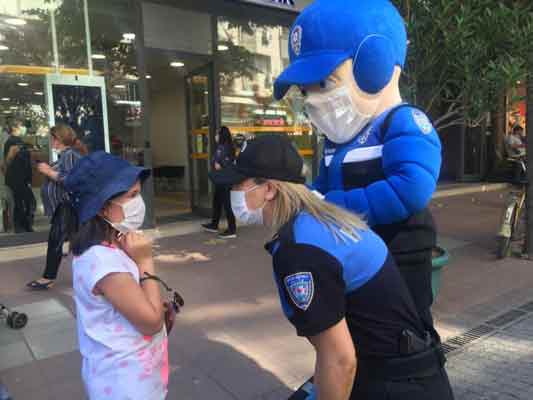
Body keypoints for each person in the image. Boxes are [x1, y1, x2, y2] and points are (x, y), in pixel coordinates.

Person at [210, 135, 454, 400]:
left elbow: (339, 360)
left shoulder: (299, 251)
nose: (232, 192)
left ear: (269, 189)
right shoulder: (320, 220)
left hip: (393, 384)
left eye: (238, 184)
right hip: (410, 372)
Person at [273, 0, 442, 342]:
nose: (313, 99)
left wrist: (333, 206)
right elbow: (321, 184)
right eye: (306, 90)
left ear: (374, 61)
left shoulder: (403, 123)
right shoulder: (337, 139)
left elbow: (409, 189)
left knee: (404, 329)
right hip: (355, 255)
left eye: (325, 83)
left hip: (399, 252)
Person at [64, 151, 169, 399]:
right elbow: (151, 322)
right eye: (131, 196)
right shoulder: (102, 259)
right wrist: (145, 260)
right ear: (102, 208)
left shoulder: (111, 246)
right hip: (124, 383)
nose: (139, 202)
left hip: (133, 372)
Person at [26, 124, 86, 290]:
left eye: (53, 138)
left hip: (67, 205)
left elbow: (71, 181)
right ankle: (91, 274)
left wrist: (47, 171)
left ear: (60, 139)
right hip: (66, 205)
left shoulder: (69, 155)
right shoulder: (66, 155)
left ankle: (48, 277)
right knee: (76, 242)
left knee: (56, 240)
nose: (50, 141)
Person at [202, 126, 237, 239]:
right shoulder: (230, 147)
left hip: (223, 180)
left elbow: (216, 162)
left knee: (226, 205)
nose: (216, 136)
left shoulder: (222, 148)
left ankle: (231, 230)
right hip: (226, 179)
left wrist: (219, 164)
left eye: (217, 134)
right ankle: (214, 224)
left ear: (221, 135)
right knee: (217, 202)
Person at [2, 119, 35, 233]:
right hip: (17, 178)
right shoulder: (11, 142)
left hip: (22, 178)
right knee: (23, 202)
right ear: (15, 128)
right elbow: (8, 160)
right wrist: (12, 154)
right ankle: (22, 225)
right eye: (21, 126)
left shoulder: (19, 141)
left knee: (24, 201)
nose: (23, 128)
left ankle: (23, 225)